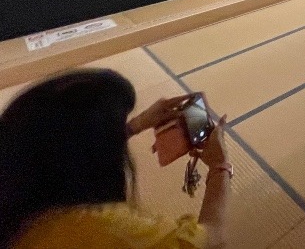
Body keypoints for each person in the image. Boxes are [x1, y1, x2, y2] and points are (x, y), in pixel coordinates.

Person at [0, 68, 232, 249]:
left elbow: (62, 144)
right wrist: (219, 166)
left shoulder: (19, 178)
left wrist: (136, 125)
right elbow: (212, 240)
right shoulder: (102, 227)